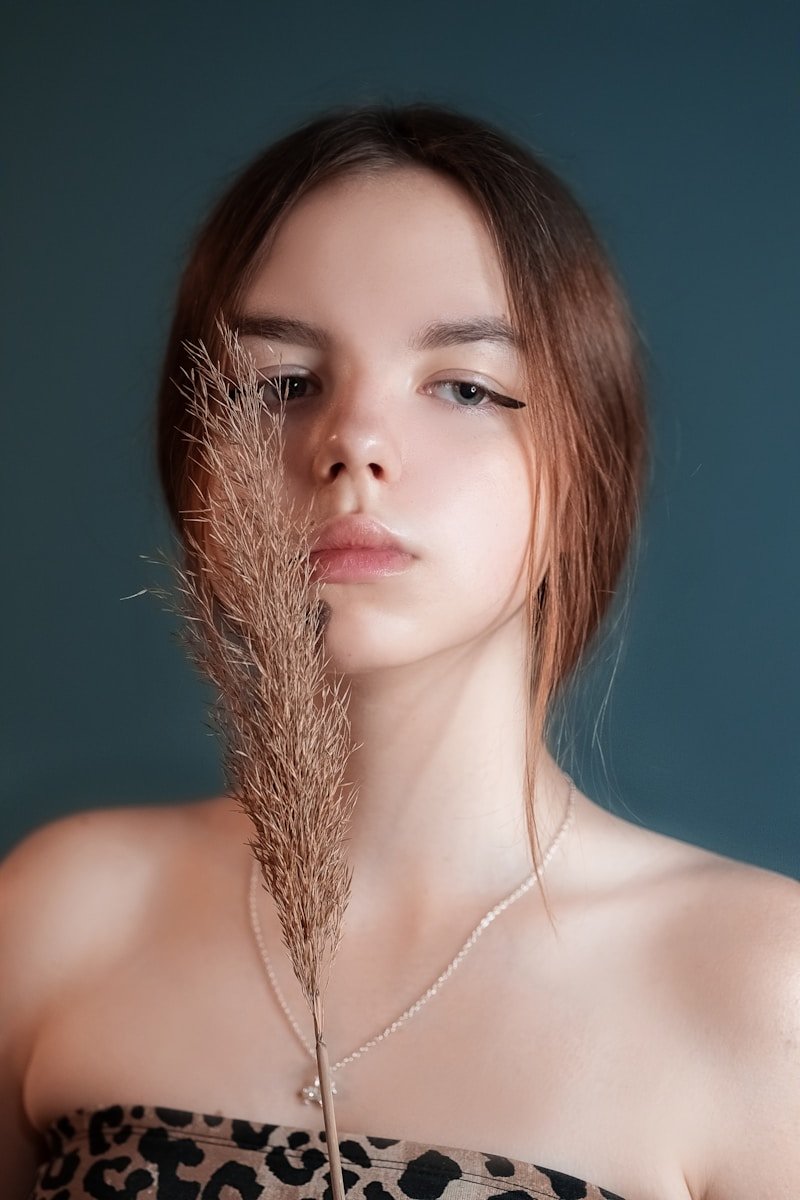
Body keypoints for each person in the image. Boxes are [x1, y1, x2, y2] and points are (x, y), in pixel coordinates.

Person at [1, 103, 797, 1200]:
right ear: (194, 470)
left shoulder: (758, 988)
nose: (351, 445)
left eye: (464, 387)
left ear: (585, 470)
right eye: (280, 384)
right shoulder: (63, 911)